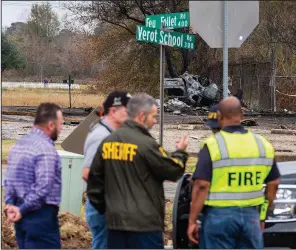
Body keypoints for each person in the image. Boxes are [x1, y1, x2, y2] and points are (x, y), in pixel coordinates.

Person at [87, 93, 189, 249]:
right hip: (144, 226)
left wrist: (108, 211)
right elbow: (173, 170)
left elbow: (94, 185)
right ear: (142, 116)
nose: (155, 121)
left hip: (115, 225)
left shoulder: (108, 142)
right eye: (154, 116)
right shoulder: (146, 144)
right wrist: (180, 152)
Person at [187, 96, 280, 249]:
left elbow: (202, 184)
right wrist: (262, 216)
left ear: (219, 116)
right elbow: (274, 183)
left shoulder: (213, 145)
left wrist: (192, 221)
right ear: (242, 116)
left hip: (219, 218)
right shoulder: (263, 145)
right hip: (251, 217)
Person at [4, 102, 64, 249]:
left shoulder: (19, 145)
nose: (61, 128)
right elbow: (44, 187)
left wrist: (10, 204)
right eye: (61, 124)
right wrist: (23, 209)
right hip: (40, 217)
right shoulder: (46, 149)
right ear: (51, 125)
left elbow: (9, 180)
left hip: (20, 218)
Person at [83, 90, 131, 249]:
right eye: (127, 110)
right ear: (113, 111)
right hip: (102, 209)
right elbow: (87, 173)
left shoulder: (114, 134)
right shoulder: (100, 136)